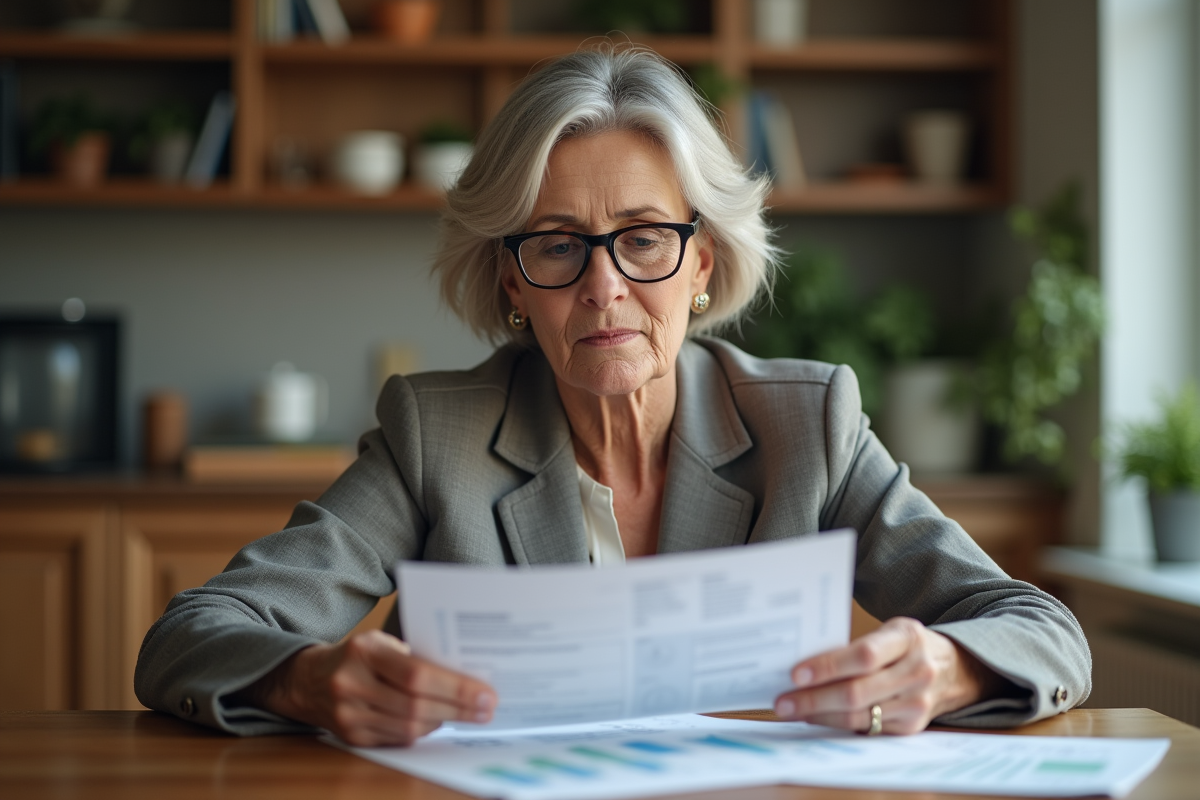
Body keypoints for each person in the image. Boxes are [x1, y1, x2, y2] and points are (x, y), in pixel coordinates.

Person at [135, 45, 1090, 747]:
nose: (604, 288)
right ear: (512, 282)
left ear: (701, 264)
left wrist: (945, 667)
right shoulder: (437, 437)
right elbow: (189, 636)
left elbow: (1044, 632)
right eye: (556, 244)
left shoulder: (809, 426)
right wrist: (309, 681)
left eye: (643, 239)